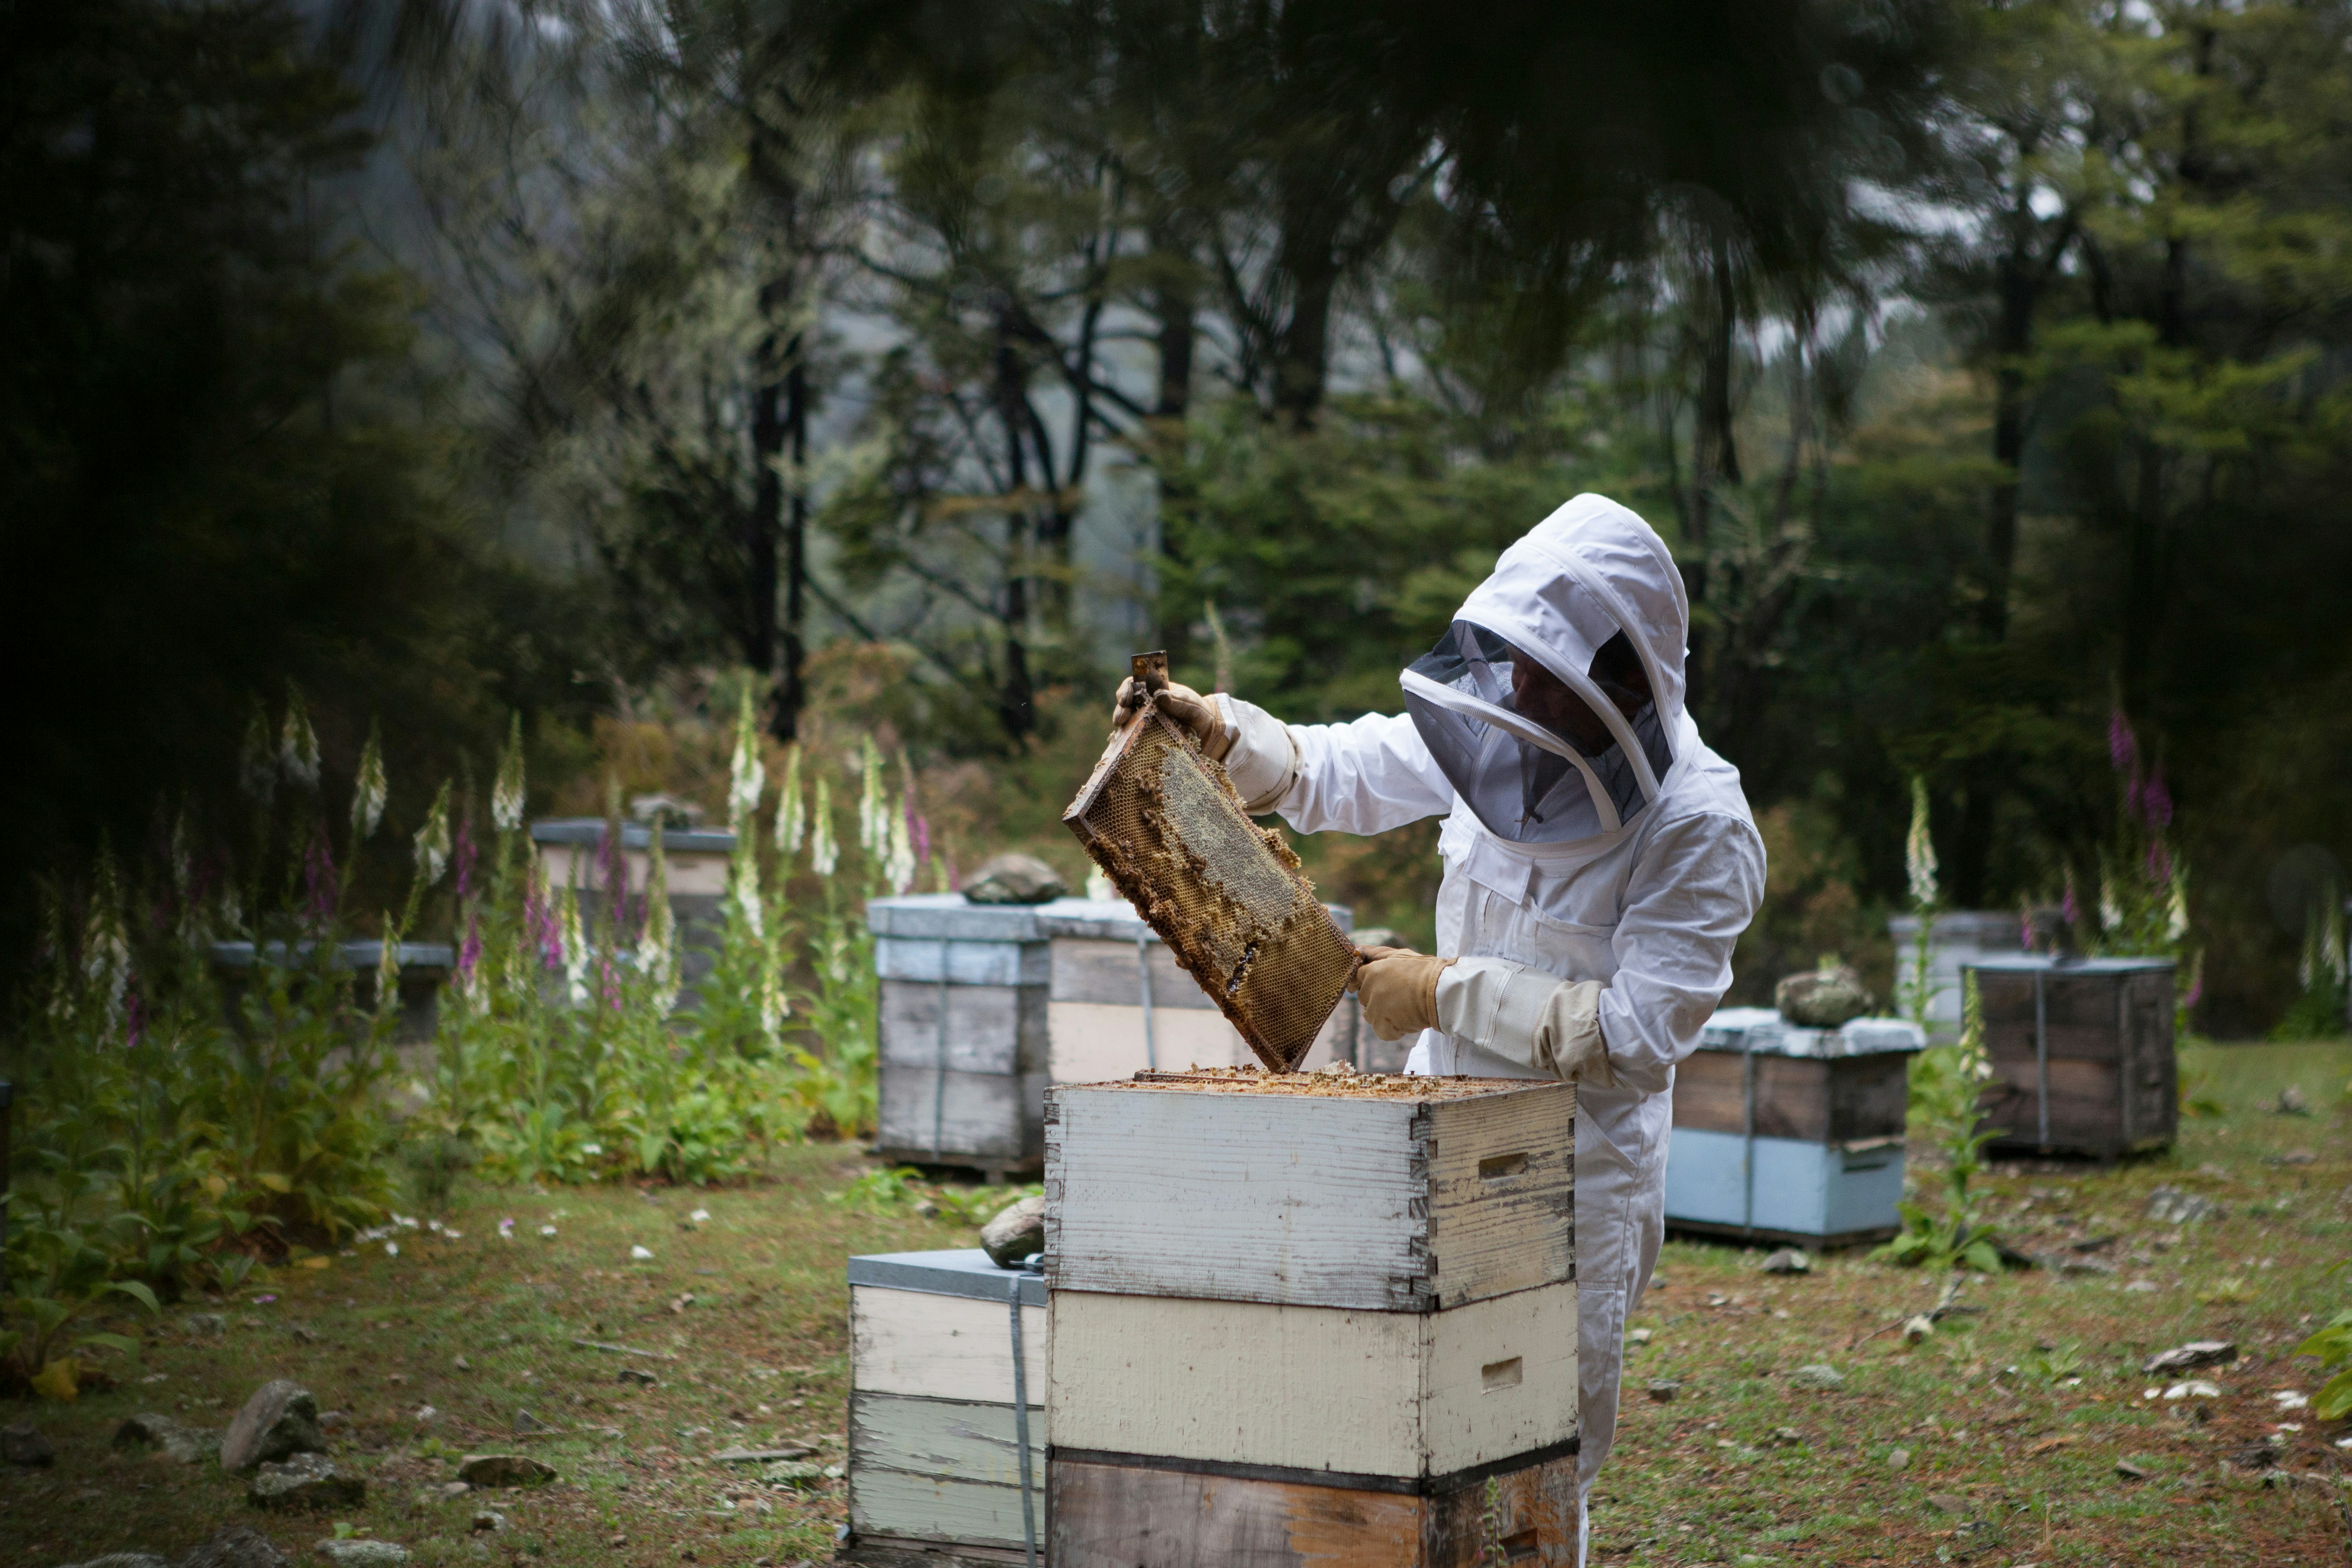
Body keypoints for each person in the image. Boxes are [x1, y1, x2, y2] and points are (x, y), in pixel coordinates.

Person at [1112, 493, 1764, 1563]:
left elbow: (1641, 1036)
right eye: (1516, 659)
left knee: (1528, 1471)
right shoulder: (1503, 726)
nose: (1524, 689)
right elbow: (1341, 768)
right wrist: (1224, 730)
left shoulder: (1700, 825)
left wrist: (1439, 987)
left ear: (1626, 678)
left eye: (1554, 671)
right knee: (1396, 1438)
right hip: (1432, 1144)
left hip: (1574, 1182)